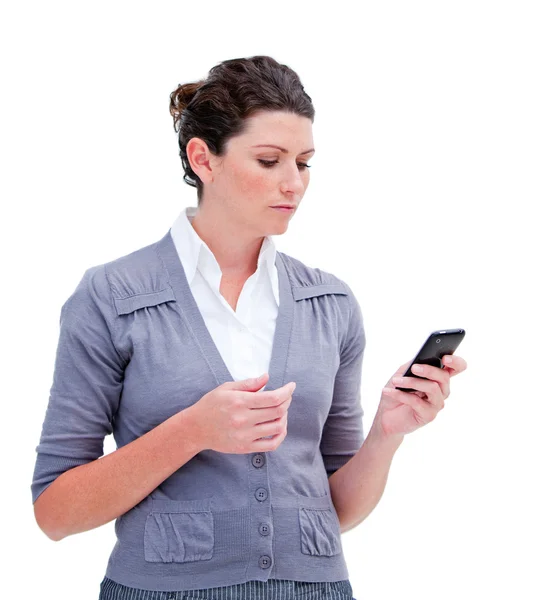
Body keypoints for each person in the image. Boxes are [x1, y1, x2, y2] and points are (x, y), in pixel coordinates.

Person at [31, 55, 467, 600]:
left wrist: (386, 434)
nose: (294, 183)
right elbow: (55, 513)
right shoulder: (112, 296)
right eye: (269, 160)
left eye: (304, 163)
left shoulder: (329, 304)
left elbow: (336, 513)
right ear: (203, 159)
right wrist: (194, 430)